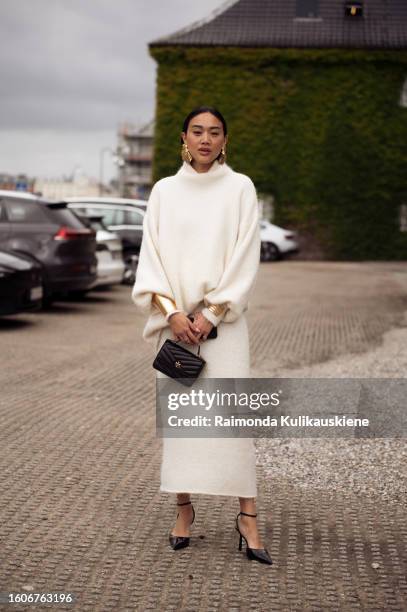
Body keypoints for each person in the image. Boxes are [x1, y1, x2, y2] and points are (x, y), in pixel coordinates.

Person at [131, 106, 272, 565]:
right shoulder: (164, 191)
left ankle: (247, 517)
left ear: (225, 139)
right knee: (184, 426)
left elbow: (245, 254)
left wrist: (212, 311)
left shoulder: (240, 188)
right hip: (176, 331)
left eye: (214, 132)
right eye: (197, 132)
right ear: (184, 138)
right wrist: (171, 312)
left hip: (223, 328)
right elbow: (150, 255)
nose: (205, 139)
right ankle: (183, 510)